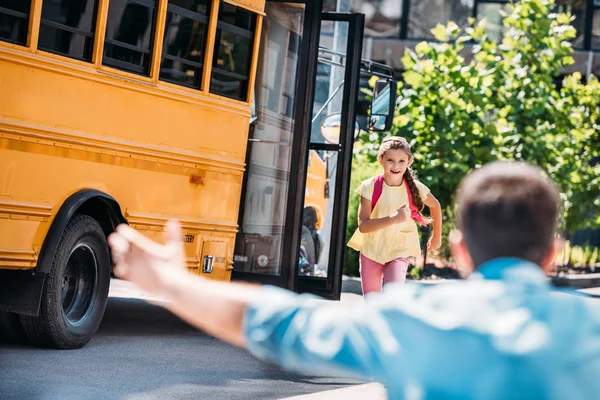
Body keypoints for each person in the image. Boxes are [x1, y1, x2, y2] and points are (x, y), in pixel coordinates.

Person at [108, 161, 600, 399]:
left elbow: (278, 324)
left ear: (461, 252)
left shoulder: (409, 318)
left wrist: (171, 283)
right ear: (553, 255)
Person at [347, 136, 442, 294]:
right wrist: (393, 219)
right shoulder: (369, 187)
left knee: (393, 297)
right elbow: (363, 226)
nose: (396, 166)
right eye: (390, 160)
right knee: (373, 302)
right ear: (381, 159)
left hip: (399, 249)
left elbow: (435, 205)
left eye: (401, 161)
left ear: (409, 161)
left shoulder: (415, 188)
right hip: (371, 250)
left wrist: (437, 236)